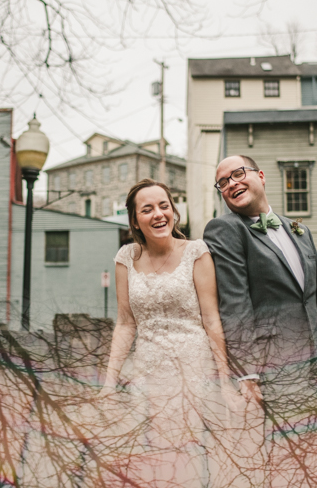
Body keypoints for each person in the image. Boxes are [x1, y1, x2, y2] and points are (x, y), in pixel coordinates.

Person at [99, 178, 248, 487]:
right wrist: (109, 384)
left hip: (194, 373)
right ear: (135, 220)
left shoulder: (196, 252)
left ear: (174, 212)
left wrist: (225, 382)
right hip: (147, 376)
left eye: (164, 206)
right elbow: (126, 323)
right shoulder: (125, 258)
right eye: (148, 209)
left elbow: (212, 320)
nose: (158, 214)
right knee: (150, 460)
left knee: (193, 457)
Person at [203, 155, 317, 486]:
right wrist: (246, 373)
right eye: (223, 182)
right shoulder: (225, 230)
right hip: (273, 373)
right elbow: (235, 304)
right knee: (282, 467)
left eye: (237, 174)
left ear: (260, 176)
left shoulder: (299, 229)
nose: (231, 183)